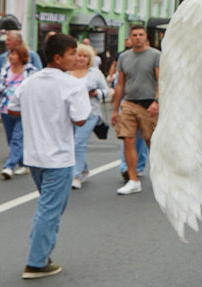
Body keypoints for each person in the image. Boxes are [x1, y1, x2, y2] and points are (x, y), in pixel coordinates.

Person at [8, 33, 90, 279]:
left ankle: (41, 252)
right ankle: (36, 262)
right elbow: (81, 119)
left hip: (34, 156)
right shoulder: (73, 84)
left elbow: (12, 109)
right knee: (50, 209)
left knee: (48, 206)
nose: (76, 58)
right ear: (57, 58)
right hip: (58, 157)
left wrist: (37, 115)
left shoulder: (30, 82)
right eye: (72, 53)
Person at [112, 24, 160, 195]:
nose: (138, 37)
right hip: (130, 102)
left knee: (151, 142)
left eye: (141, 34)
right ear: (130, 38)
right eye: (135, 35)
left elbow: (161, 81)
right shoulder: (124, 57)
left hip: (149, 104)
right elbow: (120, 84)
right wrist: (115, 109)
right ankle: (133, 179)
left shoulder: (155, 55)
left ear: (145, 36)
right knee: (128, 139)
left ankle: (161, 176)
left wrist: (157, 101)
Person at [0, 44, 38, 179]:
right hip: (6, 109)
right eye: (10, 54)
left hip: (23, 110)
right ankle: (24, 164)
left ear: (21, 57)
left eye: (14, 54)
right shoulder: (5, 70)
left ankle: (9, 167)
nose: (10, 57)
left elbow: (36, 90)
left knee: (17, 138)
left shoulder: (31, 72)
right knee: (11, 139)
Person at [68, 43, 110, 189]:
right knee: (72, 143)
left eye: (85, 56)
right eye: (78, 55)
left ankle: (76, 175)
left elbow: (107, 91)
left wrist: (95, 93)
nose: (81, 58)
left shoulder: (94, 73)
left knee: (79, 142)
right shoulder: (68, 72)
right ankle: (84, 169)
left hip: (90, 113)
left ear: (89, 59)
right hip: (70, 113)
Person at [0, 32, 41, 98]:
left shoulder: (32, 56)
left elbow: (38, 77)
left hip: (24, 98)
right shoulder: (2, 58)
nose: (6, 42)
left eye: (9, 40)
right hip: (5, 100)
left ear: (17, 42)